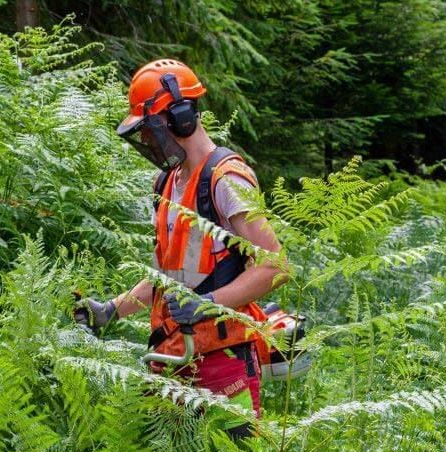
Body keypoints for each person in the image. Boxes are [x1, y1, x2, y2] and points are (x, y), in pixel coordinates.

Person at [75, 59, 287, 433]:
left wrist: (207, 304)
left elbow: (275, 267)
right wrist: (110, 310)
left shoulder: (226, 180)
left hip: (223, 361)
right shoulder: (166, 183)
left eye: (150, 128)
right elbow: (169, 275)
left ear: (181, 117)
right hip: (171, 357)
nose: (146, 140)